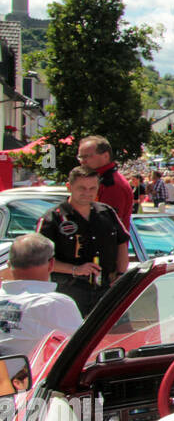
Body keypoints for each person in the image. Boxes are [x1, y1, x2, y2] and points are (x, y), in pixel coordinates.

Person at [35, 167, 131, 317]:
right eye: (82, 188)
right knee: (73, 338)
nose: (87, 192)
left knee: (114, 336)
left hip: (107, 289)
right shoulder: (53, 218)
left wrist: (120, 274)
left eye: (92, 188)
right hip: (69, 292)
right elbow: (39, 260)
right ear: (69, 187)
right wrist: (75, 269)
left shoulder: (106, 212)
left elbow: (122, 243)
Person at [0, 235, 83, 376]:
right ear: (51, 264)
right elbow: (84, 351)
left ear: (9, 265)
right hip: (28, 391)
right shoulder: (55, 304)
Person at [77, 136, 132, 231]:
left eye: (87, 156)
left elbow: (107, 225)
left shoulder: (112, 184)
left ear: (105, 156)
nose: (82, 161)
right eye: (80, 157)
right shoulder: (100, 179)